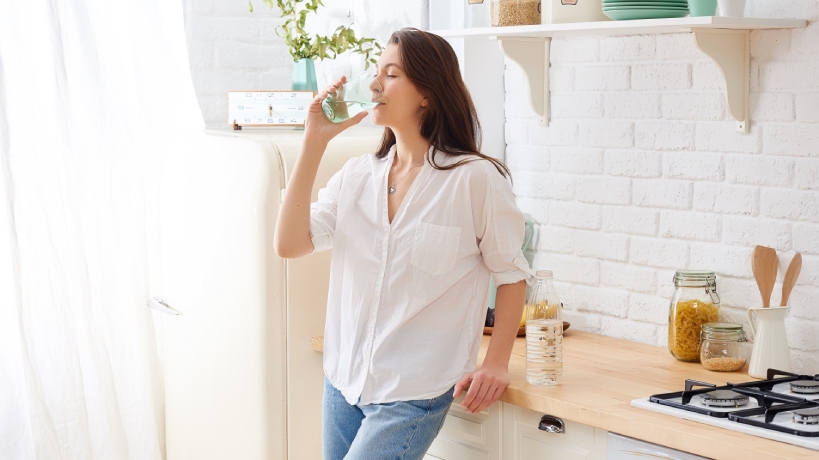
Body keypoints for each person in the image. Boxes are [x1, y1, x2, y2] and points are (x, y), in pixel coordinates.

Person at [274, 27, 534, 460]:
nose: (375, 85)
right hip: (344, 382)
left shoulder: (474, 179)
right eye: (377, 72)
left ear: (427, 94)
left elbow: (511, 275)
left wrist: (496, 362)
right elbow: (289, 244)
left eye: (390, 75)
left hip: (413, 392)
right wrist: (313, 143)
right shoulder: (358, 176)